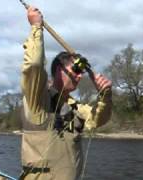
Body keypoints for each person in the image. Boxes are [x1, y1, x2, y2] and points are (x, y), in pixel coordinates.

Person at [19, 6, 112, 180]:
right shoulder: (38, 99)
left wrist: (105, 95)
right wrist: (36, 27)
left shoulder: (75, 107)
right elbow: (33, 65)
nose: (78, 76)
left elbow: (99, 119)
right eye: (75, 70)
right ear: (57, 70)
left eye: (81, 72)